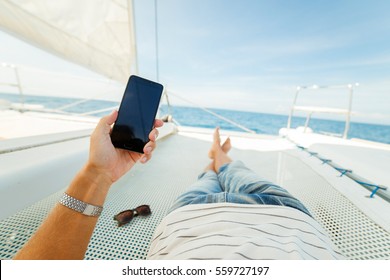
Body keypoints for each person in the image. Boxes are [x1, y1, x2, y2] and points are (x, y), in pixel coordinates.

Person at [14, 112, 344, 260]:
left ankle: (215, 156)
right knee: (235, 169)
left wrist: (99, 173)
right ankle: (219, 154)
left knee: (208, 177)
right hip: (283, 216)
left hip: (190, 220)